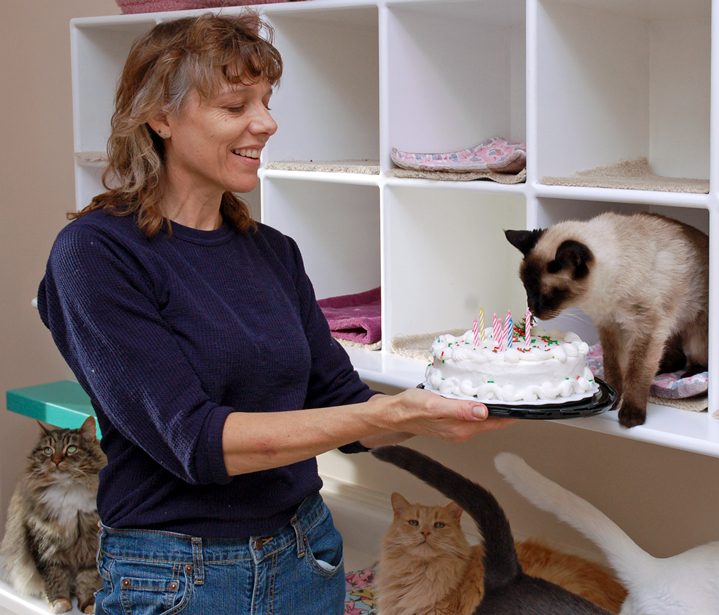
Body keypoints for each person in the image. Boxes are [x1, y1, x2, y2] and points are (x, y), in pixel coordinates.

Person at [37, 11, 512, 615]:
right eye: (236, 106)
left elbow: (340, 400)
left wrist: (438, 410)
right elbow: (202, 444)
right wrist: (397, 410)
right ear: (160, 117)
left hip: (306, 556)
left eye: (265, 101)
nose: (266, 122)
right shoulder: (96, 255)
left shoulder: (273, 252)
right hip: (177, 576)